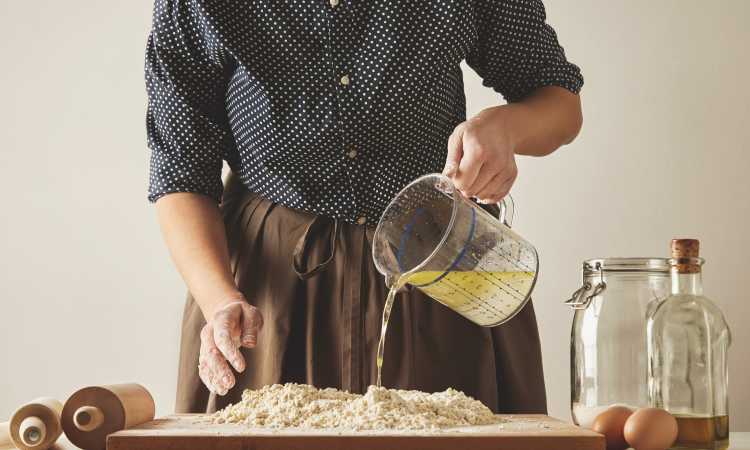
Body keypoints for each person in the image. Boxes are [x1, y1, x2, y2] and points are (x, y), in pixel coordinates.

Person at [145, 0, 583, 414]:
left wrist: (505, 126)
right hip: (269, 289)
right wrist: (220, 298)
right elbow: (180, 175)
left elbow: (559, 103)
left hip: (438, 264)